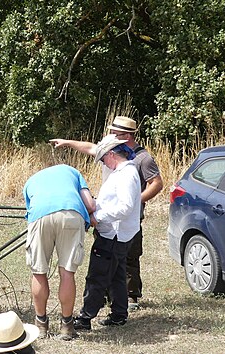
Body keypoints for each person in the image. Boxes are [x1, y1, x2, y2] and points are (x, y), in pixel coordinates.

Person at [49, 116, 163, 309]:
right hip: (109, 217)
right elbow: (90, 148)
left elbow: (157, 183)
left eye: (114, 133)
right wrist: (68, 142)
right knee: (110, 259)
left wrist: (136, 201)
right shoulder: (110, 150)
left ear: (126, 136)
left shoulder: (142, 158)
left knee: (128, 259)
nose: (109, 135)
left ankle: (129, 297)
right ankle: (111, 302)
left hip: (127, 218)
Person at [71, 134, 141, 330]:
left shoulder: (126, 174)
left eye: (103, 159)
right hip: (118, 234)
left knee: (97, 276)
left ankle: (85, 319)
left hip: (114, 234)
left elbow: (125, 207)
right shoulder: (123, 172)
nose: (103, 162)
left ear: (112, 154)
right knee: (117, 274)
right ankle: (119, 313)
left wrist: (97, 218)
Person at [22, 164, 96, 340]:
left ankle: (41, 325)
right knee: (67, 273)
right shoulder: (74, 172)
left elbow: (30, 208)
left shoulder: (32, 180)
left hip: (40, 215)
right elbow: (90, 204)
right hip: (71, 214)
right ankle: (67, 326)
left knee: (39, 272)